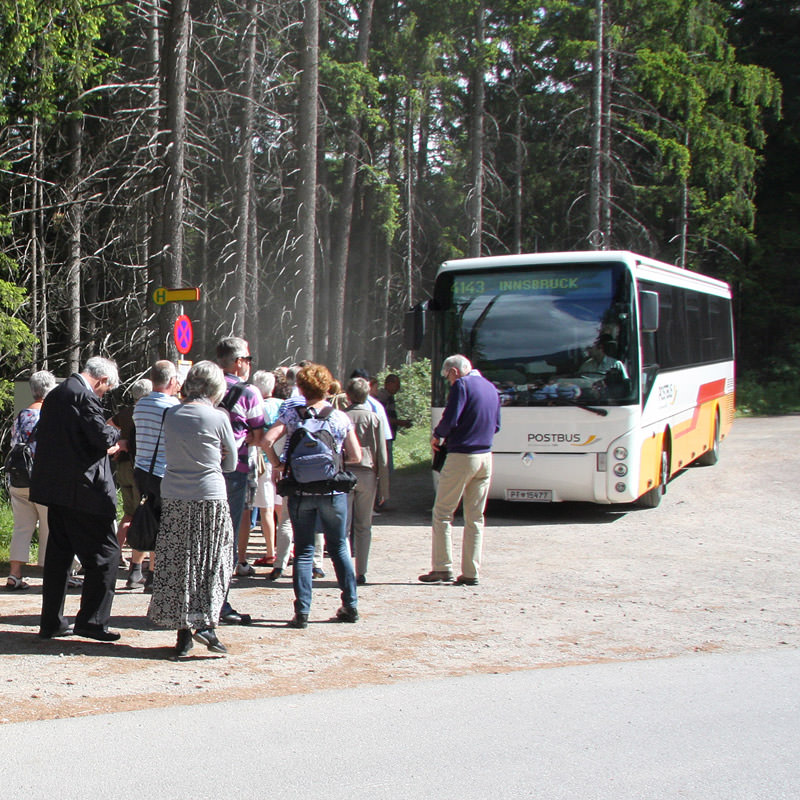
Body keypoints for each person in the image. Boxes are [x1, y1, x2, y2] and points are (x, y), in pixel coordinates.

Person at [147, 361, 237, 657]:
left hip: (174, 494)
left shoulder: (171, 413)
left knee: (179, 564)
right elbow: (232, 463)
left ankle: (182, 635)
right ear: (215, 386)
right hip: (209, 495)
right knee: (212, 562)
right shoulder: (218, 416)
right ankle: (207, 624)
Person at [262, 363, 362, 628]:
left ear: (302, 389)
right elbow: (357, 455)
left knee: (304, 549)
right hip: (332, 491)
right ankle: (350, 605)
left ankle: (302, 613)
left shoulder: (294, 415)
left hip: (300, 490)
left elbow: (266, 440)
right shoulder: (340, 418)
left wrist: (278, 464)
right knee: (339, 546)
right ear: (327, 388)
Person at [30, 356, 123, 641]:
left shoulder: (58, 393)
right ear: (101, 380)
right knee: (107, 555)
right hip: (84, 492)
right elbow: (101, 437)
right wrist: (117, 433)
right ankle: (92, 622)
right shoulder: (83, 395)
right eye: (104, 390)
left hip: (56, 490)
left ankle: (51, 623)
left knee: (59, 558)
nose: (102, 394)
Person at [419, 354, 501, 587]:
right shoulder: (491, 387)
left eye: (448, 378)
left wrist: (438, 435)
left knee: (443, 511)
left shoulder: (462, 385)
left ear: (454, 371)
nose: (449, 382)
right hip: (486, 455)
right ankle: (471, 571)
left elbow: (451, 417)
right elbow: (497, 425)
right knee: (475, 516)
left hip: (462, 455)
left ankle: (443, 567)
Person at [216, 337, 264, 623]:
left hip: (201, 468)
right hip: (235, 470)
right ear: (237, 361)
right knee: (227, 535)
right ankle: (220, 602)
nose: (249, 363)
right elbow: (258, 435)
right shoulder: (249, 392)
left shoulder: (203, 385)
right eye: (248, 358)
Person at [127, 361, 180, 590]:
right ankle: (153, 575)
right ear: (170, 381)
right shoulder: (173, 407)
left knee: (145, 515)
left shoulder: (140, 405)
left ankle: (134, 570)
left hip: (141, 470)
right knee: (163, 524)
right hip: (163, 472)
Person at [5, 370, 56, 590]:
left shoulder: (21, 415)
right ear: (50, 390)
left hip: (18, 478)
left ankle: (14, 575)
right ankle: (51, 576)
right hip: (43, 479)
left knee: (22, 527)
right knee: (49, 527)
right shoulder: (51, 416)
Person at [344, 377, 389, 585]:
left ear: (348, 395)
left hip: (344, 475)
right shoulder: (375, 418)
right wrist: (384, 487)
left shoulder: (342, 416)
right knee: (364, 525)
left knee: (343, 526)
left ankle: (343, 569)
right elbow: (382, 454)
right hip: (368, 474)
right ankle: (361, 570)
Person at [109, 378, 152, 565]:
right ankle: (140, 563)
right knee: (142, 514)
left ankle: (116, 554)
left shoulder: (125, 413)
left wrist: (120, 436)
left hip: (122, 467)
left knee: (129, 513)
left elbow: (109, 423)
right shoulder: (147, 413)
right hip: (138, 467)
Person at [250, 370, 283, 567]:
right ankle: (285, 549)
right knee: (281, 509)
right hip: (282, 463)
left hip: (263, 462)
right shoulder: (283, 405)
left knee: (266, 510)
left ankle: (270, 551)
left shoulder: (257, 406)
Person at [376, 373, 411, 471]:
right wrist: (400, 422)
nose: (398, 387)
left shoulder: (390, 397)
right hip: (384, 434)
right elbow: (383, 418)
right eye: (397, 384)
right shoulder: (383, 397)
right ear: (389, 384)